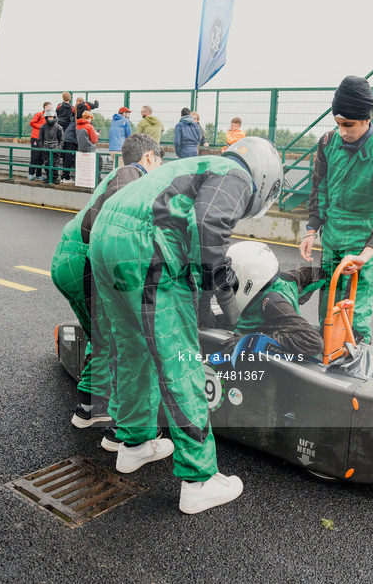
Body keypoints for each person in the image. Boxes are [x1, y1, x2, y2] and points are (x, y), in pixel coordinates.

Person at [89, 135, 283, 514]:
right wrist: (223, 298)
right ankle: (199, 480)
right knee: (180, 362)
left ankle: (134, 444)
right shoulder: (236, 174)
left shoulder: (194, 166)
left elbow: (190, 226)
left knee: (132, 349)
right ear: (264, 178)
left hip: (104, 238)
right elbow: (210, 226)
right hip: (145, 248)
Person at [51, 134, 164, 430]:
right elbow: (96, 225)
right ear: (149, 157)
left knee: (101, 340)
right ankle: (120, 424)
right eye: (160, 160)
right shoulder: (132, 175)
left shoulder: (118, 174)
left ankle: (89, 409)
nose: (161, 167)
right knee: (119, 339)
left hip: (70, 259)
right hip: (86, 261)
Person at [299, 75, 373, 344]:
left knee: (354, 320)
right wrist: (311, 230)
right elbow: (319, 188)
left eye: (349, 125)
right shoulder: (326, 143)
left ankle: (355, 372)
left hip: (361, 245)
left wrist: (367, 253)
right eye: (338, 124)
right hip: (331, 238)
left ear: (367, 118)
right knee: (327, 312)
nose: (342, 131)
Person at [214, 241, 325, 358]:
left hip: (282, 360)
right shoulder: (285, 279)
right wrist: (299, 300)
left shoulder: (272, 302)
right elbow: (319, 274)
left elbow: (314, 343)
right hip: (279, 323)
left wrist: (250, 341)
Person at [38, 109, 64, 183]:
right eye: (48, 117)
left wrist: (59, 148)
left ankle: (54, 178)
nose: (50, 119)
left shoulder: (59, 127)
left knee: (55, 164)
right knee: (46, 163)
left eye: (51, 117)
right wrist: (42, 147)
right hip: (46, 147)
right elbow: (40, 139)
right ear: (46, 118)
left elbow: (62, 140)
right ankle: (48, 177)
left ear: (54, 117)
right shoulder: (42, 127)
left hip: (55, 147)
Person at [28, 101, 51, 181]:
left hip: (44, 139)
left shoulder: (49, 116)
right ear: (45, 107)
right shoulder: (39, 114)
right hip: (35, 138)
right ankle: (30, 173)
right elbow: (32, 123)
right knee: (35, 156)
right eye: (49, 106)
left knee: (41, 157)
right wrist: (41, 126)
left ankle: (38, 174)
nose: (51, 108)